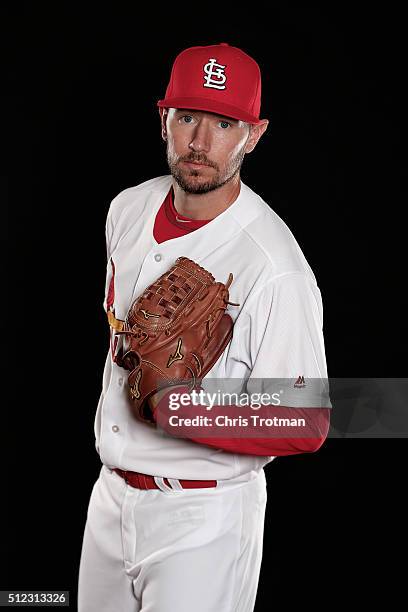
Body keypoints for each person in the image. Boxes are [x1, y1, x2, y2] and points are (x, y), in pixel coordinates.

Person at [78, 42, 331, 611]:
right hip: (110, 498)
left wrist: (182, 408)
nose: (199, 142)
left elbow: (308, 420)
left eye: (223, 123)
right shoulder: (127, 210)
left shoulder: (273, 265)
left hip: (202, 517)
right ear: (163, 118)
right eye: (187, 116)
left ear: (254, 134)